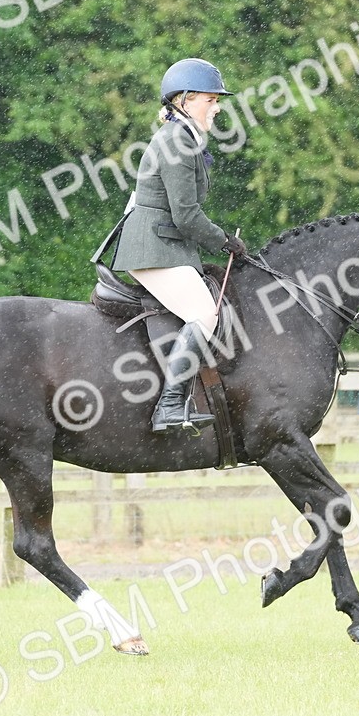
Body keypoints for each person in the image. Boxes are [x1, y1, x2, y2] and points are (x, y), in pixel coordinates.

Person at [111, 58, 249, 434]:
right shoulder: (176, 141)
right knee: (206, 314)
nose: (217, 107)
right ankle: (169, 407)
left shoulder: (185, 137)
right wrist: (224, 241)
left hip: (164, 245)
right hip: (152, 248)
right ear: (186, 100)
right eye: (210, 99)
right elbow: (186, 215)